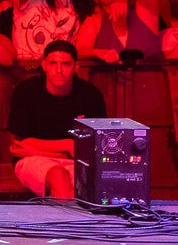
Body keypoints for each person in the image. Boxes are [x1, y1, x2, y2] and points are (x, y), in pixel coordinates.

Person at [6, 41, 106, 198]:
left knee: (85, 185)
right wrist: (68, 145)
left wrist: (40, 149)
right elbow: (20, 144)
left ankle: (62, 220)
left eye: (66, 64)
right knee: (59, 176)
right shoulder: (26, 91)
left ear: (76, 67)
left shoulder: (90, 95)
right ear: (44, 65)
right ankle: (68, 221)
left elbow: (95, 148)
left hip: (75, 161)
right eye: (53, 63)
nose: (59, 70)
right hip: (32, 160)